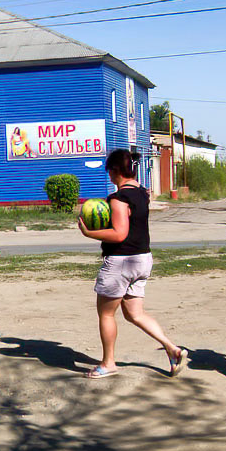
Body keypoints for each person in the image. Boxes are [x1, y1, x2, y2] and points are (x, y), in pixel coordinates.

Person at [77, 149, 187, 379]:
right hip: (142, 259)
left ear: (116, 171)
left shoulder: (119, 198)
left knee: (106, 315)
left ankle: (108, 363)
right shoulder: (141, 193)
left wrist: (90, 232)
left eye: (109, 171)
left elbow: (119, 234)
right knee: (135, 314)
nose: (109, 176)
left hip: (121, 262)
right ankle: (172, 349)